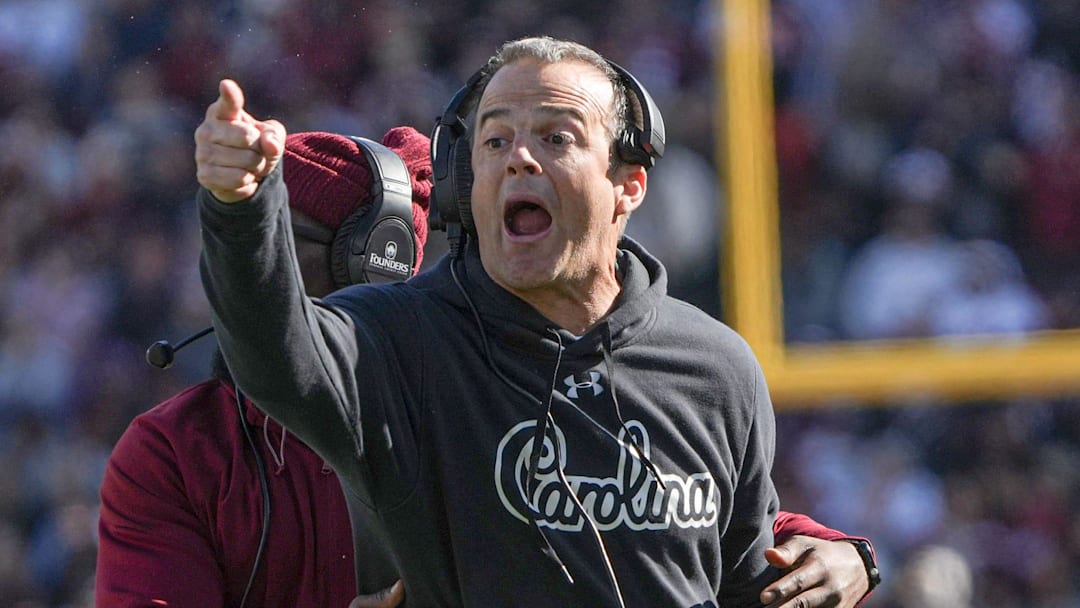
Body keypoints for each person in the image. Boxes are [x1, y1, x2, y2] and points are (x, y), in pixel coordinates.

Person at [194, 36, 879, 607]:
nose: (519, 157)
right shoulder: (397, 339)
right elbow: (273, 357)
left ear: (628, 184)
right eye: (494, 141)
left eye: (557, 136)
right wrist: (240, 207)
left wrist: (845, 562)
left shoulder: (718, 367)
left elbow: (742, 580)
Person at [95, 128, 433, 608]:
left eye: (269, 243)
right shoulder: (171, 452)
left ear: (373, 267)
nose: (238, 269)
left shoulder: (467, 427)